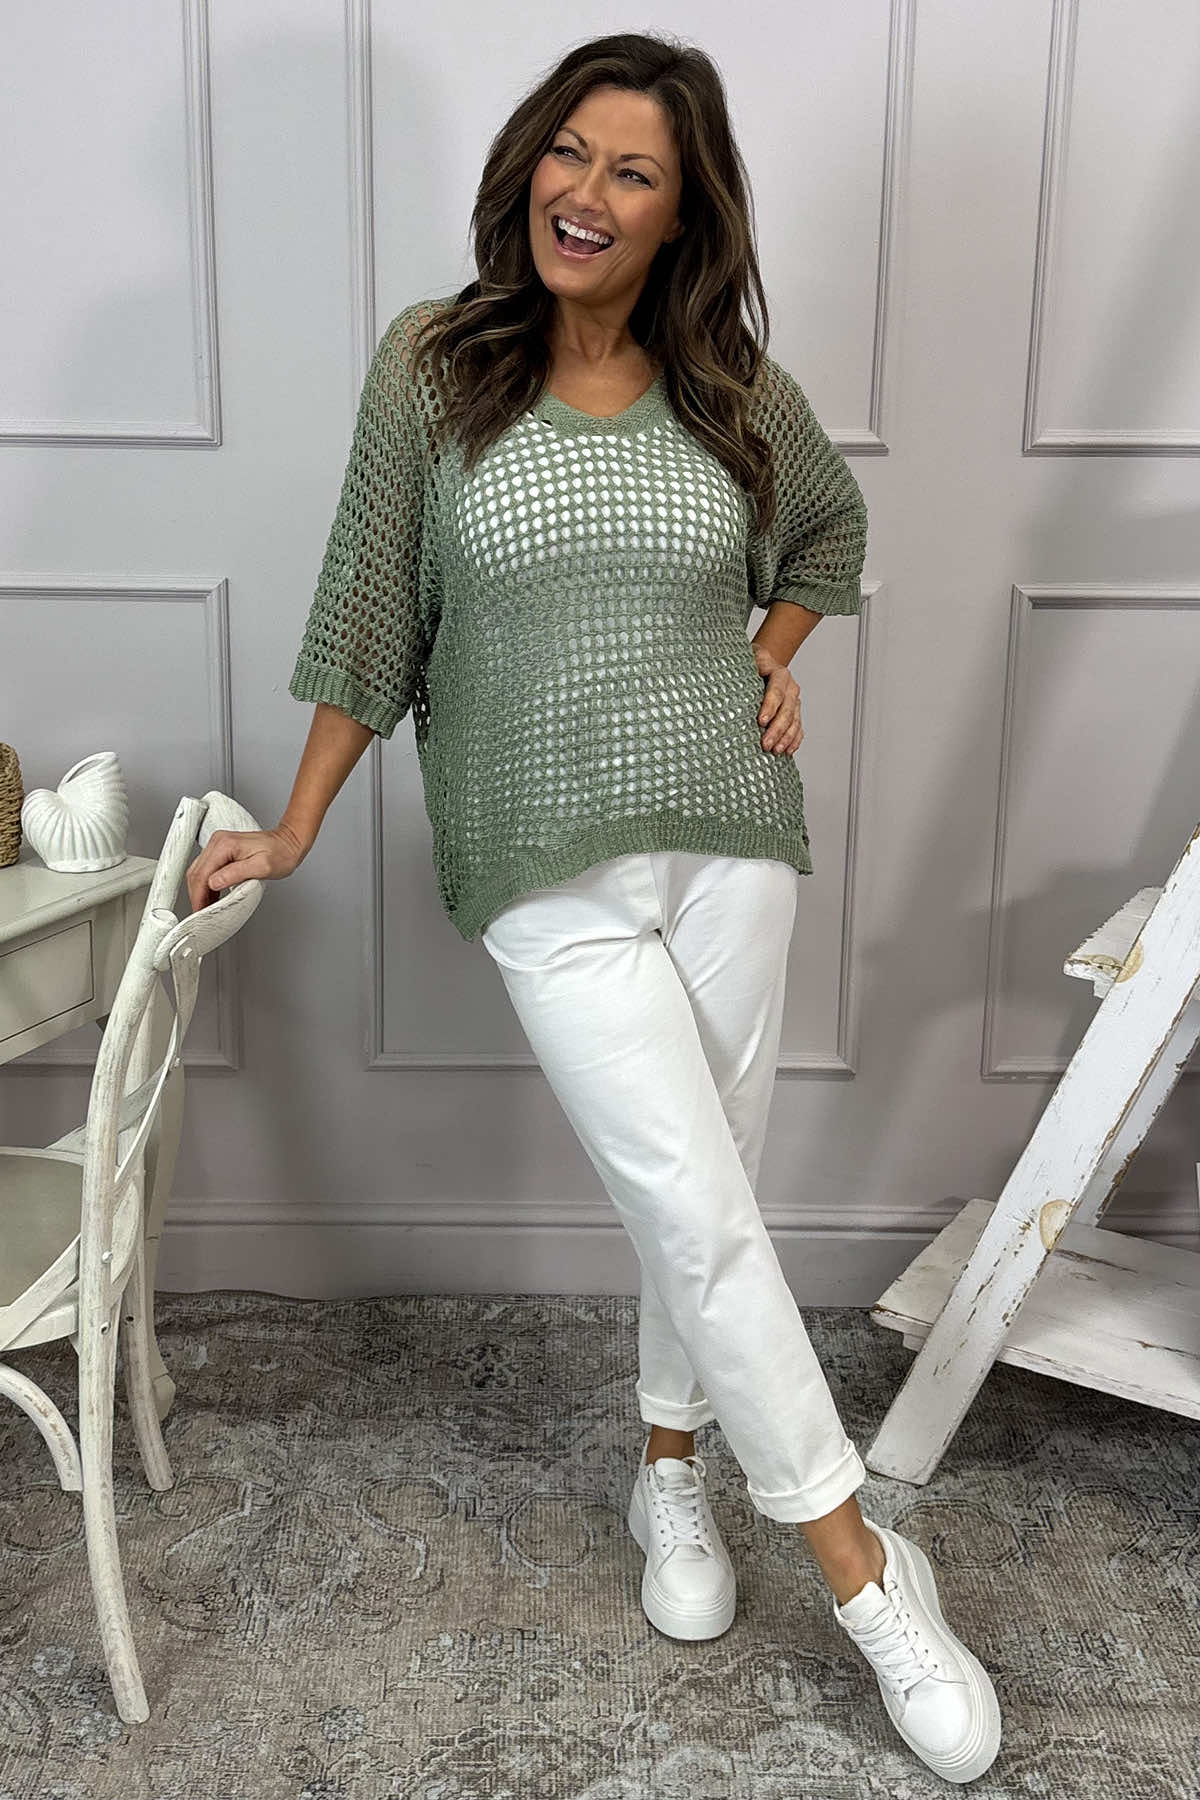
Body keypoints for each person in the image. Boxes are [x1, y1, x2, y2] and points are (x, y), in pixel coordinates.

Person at [187, 31, 1001, 1784]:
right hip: (538, 855)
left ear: (679, 213)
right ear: (528, 166)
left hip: (730, 838)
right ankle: (868, 1579)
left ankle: (669, 1474)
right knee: (696, 1210)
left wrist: (772, 654)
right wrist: (298, 824)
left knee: (706, 1195)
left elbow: (830, 536)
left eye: (635, 172)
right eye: (571, 152)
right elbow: (370, 606)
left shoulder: (730, 386)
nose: (589, 192)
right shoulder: (437, 367)